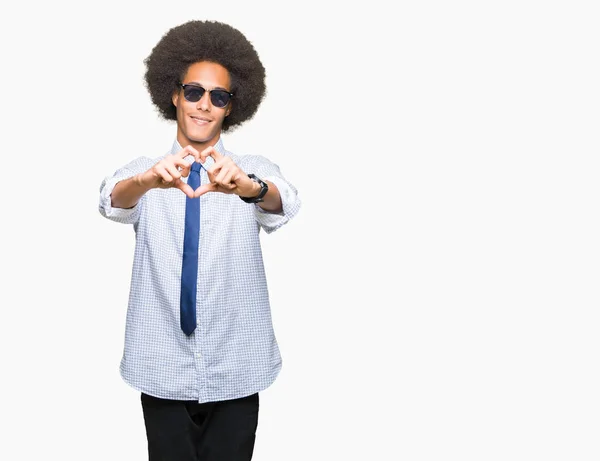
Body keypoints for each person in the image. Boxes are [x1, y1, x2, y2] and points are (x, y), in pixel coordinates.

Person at [98, 19, 301, 461]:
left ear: (232, 107)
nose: (204, 105)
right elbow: (111, 200)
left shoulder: (250, 167)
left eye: (219, 97)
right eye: (194, 92)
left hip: (238, 364)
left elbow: (285, 201)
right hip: (162, 365)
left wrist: (251, 188)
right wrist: (149, 179)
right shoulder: (145, 172)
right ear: (174, 95)